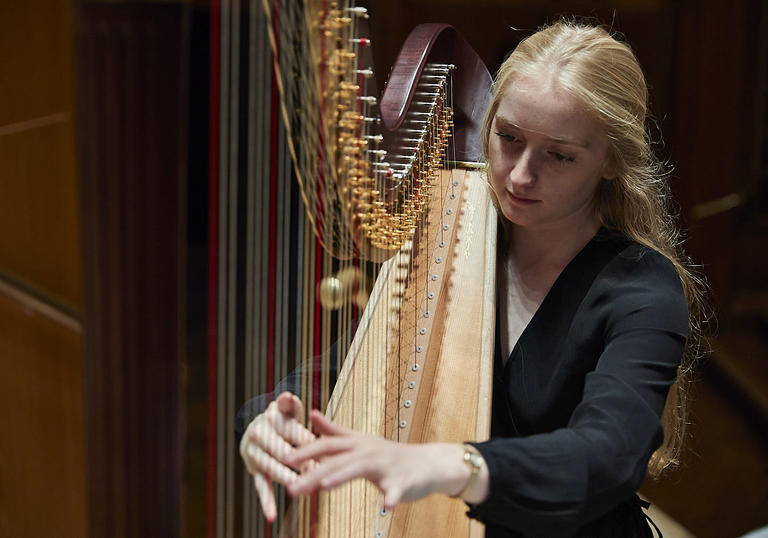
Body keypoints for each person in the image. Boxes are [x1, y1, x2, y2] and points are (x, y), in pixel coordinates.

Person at [238, 18, 708, 537]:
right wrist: (272, 418)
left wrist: (446, 464)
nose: (520, 175)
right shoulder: (455, 234)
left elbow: (606, 455)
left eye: (559, 155)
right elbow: (348, 370)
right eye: (507, 138)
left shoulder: (642, 289)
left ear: (611, 162)